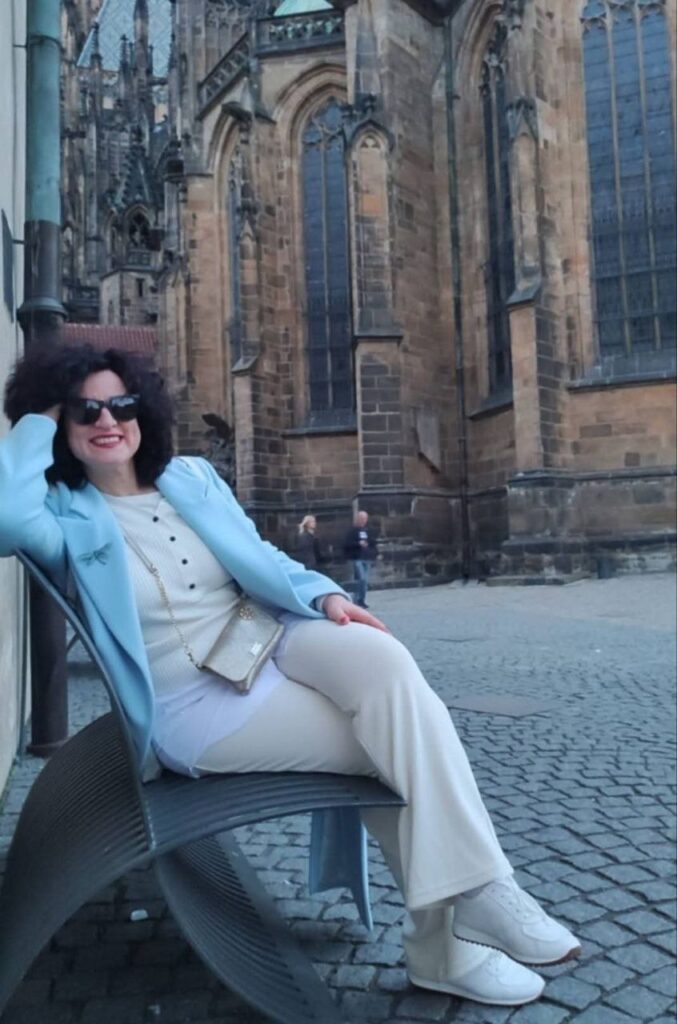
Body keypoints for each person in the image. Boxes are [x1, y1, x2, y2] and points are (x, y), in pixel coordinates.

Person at [0, 344, 582, 1008]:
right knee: (387, 747)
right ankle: (449, 943)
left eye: (121, 404)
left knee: (385, 664)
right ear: (61, 421)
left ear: (144, 410)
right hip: (194, 705)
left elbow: (259, 554)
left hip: (269, 635)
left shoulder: (190, 477)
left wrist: (324, 594)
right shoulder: (64, 514)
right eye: (84, 410)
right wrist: (37, 420)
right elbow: (6, 519)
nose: (108, 420)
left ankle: (481, 896)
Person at [343, 509, 377, 608]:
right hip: (357, 558)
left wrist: (374, 552)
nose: (363, 520)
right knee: (361, 579)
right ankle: (357, 599)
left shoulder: (367, 530)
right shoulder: (352, 531)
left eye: (365, 518)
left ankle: (361, 600)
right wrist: (358, 544)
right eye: (361, 518)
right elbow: (347, 544)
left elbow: (373, 543)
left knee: (365, 581)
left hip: (366, 557)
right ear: (357, 519)